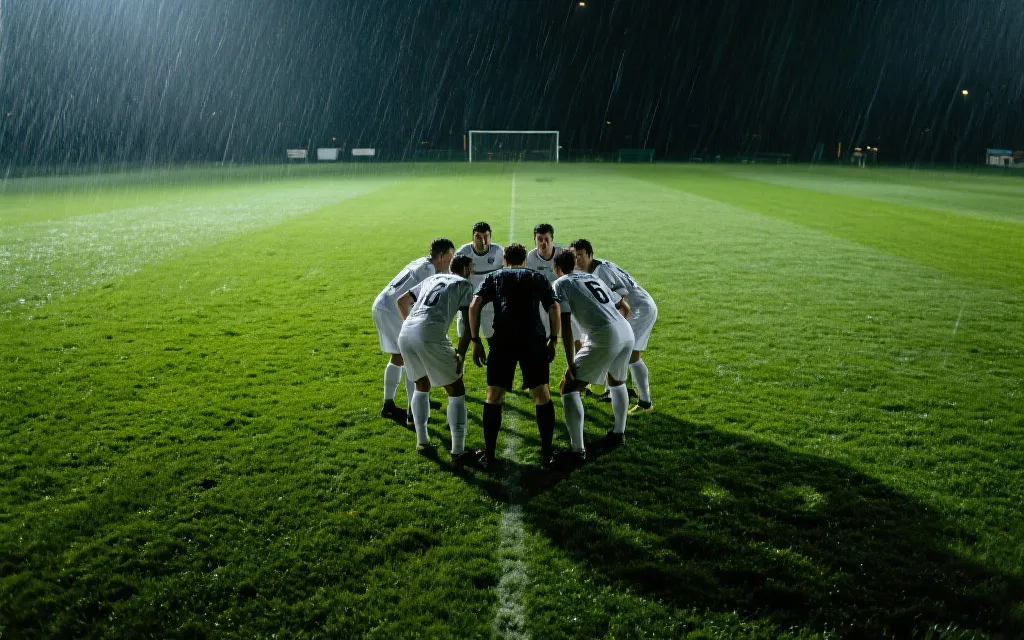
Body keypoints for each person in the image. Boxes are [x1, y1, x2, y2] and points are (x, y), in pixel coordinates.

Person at [468, 243, 560, 471]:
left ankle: (489, 455)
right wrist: (554, 338)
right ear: (525, 261)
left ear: (505, 261)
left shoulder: (495, 276)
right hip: (533, 339)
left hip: (503, 340)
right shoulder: (536, 277)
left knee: (494, 395)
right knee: (541, 393)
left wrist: (475, 341)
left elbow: (474, 306)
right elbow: (554, 307)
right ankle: (547, 453)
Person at [551, 250, 634, 465]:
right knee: (617, 381)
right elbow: (624, 306)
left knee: (568, 387)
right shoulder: (592, 276)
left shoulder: (560, 284)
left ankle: (578, 451)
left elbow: (566, 326)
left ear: (557, 268)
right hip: (626, 331)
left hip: (606, 335)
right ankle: (618, 432)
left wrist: (571, 362)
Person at [395, 255, 478, 464]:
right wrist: (461, 353)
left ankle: (422, 441)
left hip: (405, 333)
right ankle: (458, 451)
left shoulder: (434, 278)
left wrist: (414, 328)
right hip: (429, 334)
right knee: (456, 389)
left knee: (421, 384)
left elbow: (402, 300)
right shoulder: (464, 284)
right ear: (468, 269)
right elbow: (468, 324)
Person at [569, 239, 658, 413]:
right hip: (634, 308)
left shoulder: (601, 271)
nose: (577, 260)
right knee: (618, 350)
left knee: (629, 354)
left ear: (590, 255)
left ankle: (644, 402)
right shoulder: (591, 269)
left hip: (638, 310)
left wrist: (619, 327)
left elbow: (622, 296)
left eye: (580, 256)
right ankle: (616, 390)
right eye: (574, 256)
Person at [372, 238, 455, 424]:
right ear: (441, 256)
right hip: (394, 310)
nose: (452, 260)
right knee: (413, 358)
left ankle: (392, 405)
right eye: (450, 256)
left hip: (382, 305)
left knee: (399, 356)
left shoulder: (421, 262)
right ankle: (413, 411)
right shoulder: (429, 271)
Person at [455, 222, 504, 341]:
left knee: (494, 341)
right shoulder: (463, 253)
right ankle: (460, 359)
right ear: (472, 237)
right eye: (478, 237)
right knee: (464, 340)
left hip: (491, 306)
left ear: (490, 237)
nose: (482, 240)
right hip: (468, 304)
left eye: (486, 236)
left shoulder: (499, 251)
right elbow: (455, 279)